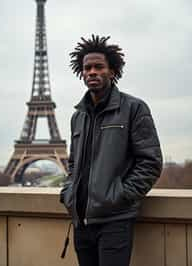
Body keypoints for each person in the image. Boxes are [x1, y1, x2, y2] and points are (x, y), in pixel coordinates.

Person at [60, 34, 162, 266]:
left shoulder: (134, 108)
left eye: (99, 67)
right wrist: (69, 194)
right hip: (81, 221)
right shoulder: (79, 116)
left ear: (113, 71)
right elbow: (74, 164)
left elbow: (150, 161)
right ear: (81, 72)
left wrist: (121, 196)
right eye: (87, 68)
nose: (92, 72)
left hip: (115, 221)